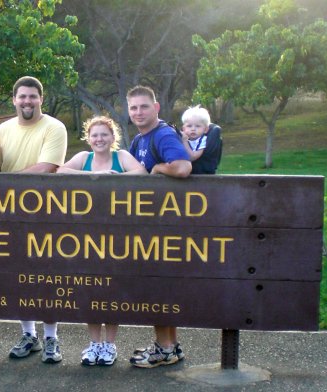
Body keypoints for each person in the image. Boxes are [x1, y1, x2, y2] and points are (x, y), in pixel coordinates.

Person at [57, 115, 146, 366]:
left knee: (112, 290)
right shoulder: (84, 159)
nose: (99, 139)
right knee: (90, 290)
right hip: (86, 236)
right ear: (89, 138)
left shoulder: (122, 158)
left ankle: (110, 345)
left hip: (117, 235)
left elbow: (141, 173)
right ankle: (94, 343)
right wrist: (91, 178)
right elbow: (60, 171)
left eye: (104, 135)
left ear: (112, 137)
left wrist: (112, 177)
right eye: (94, 135)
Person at [0, 76, 67, 364]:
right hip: (10, 214)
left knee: (46, 278)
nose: (27, 101)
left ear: (41, 99)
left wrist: (8, 181)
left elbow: (47, 167)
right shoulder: (3, 130)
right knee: (18, 277)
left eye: (32, 97)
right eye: (22, 96)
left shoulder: (54, 127)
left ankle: (51, 339)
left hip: (46, 214)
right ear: (14, 99)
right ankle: (29, 335)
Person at [126, 85, 191, 368]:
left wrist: (158, 169)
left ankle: (164, 349)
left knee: (157, 289)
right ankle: (169, 346)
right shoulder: (140, 139)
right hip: (149, 226)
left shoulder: (162, 134)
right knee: (161, 289)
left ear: (156, 107)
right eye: (133, 108)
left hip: (164, 226)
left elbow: (182, 168)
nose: (138, 112)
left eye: (143, 106)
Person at [180, 105, 222, 174]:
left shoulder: (203, 140)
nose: (193, 129)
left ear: (205, 129)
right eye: (189, 126)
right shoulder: (180, 137)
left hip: (200, 173)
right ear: (184, 129)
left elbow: (193, 157)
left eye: (197, 126)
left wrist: (184, 142)